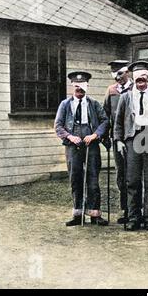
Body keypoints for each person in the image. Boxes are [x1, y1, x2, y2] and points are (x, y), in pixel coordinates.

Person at [55, 71, 109, 226]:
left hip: (91, 146)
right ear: (72, 86)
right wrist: (70, 137)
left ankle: (94, 214)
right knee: (75, 179)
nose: (79, 89)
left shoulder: (94, 104)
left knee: (93, 179)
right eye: (76, 86)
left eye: (82, 86)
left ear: (87, 86)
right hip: (73, 146)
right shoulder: (65, 105)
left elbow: (105, 121)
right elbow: (58, 126)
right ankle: (77, 214)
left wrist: (95, 135)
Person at [114, 61, 148, 231]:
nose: (141, 83)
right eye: (138, 80)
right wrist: (119, 140)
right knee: (132, 180)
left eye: (144, 80)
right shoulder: (126, 97)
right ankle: (133, 217)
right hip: (132, 140)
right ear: (133, 80)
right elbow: (118, 121)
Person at [103, 60, 133, 225]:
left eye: (120, 74)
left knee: (135, 175)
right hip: (117, 138)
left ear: (127, 72)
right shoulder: (111, 91)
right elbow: (106, 114)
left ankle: (137, 209)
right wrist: (106, 136)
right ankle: (125, 209)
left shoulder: (136, 87)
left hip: (135, 138)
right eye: (114, 75)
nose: (117, 78)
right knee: (121, 174)